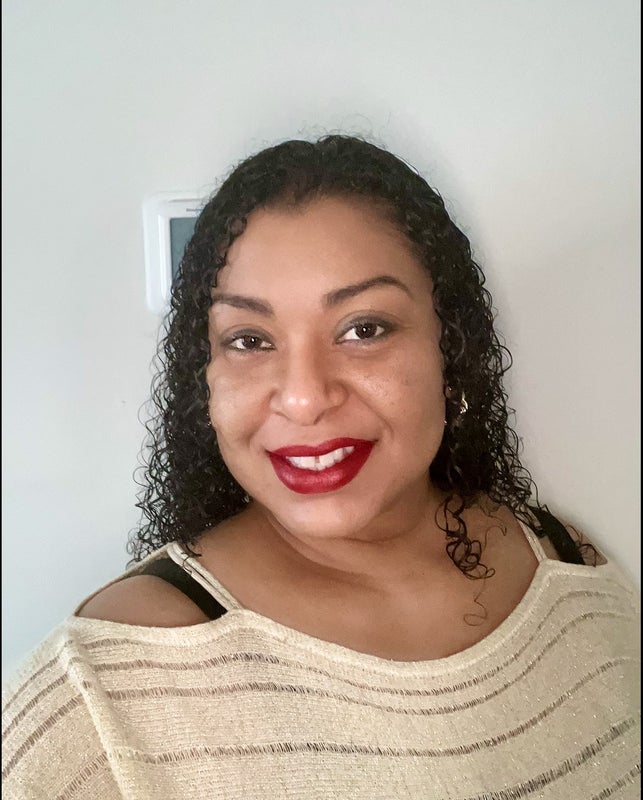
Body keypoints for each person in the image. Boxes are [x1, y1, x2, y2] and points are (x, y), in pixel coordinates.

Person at [2, 135, 639, 799]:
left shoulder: (567, 563)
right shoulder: (107, 694)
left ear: (449, 348)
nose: (304, 398)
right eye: (250, 340)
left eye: (364, 329)